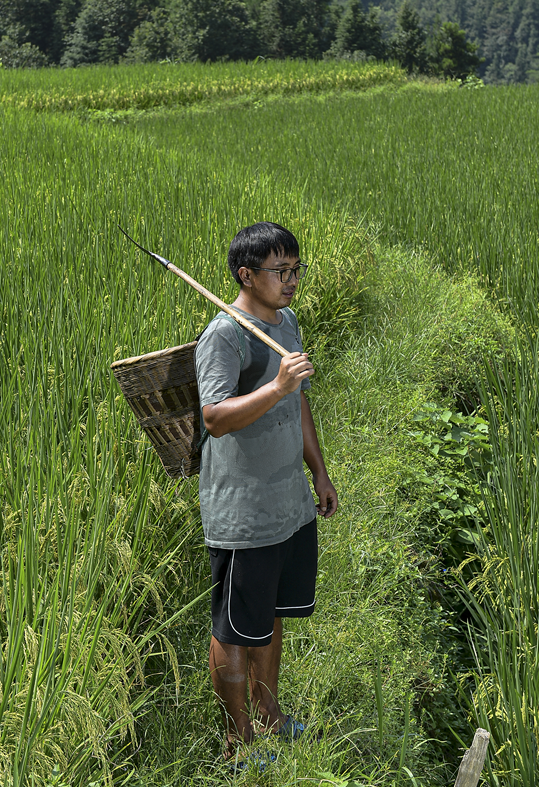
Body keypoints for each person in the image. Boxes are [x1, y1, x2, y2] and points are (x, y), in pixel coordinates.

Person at [194, 221, 338, 762]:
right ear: (246, 275)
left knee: (271, 612)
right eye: (280, 271)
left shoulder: (287, 322)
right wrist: (275, 383)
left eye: (296, 269)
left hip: (288, 503)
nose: (292, 280)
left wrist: (318, 472)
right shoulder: (225, 336)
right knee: (234, 629)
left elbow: (297, 402)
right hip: (245, 514)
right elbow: (213, 417)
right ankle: (238, 742)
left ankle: (268, 715)